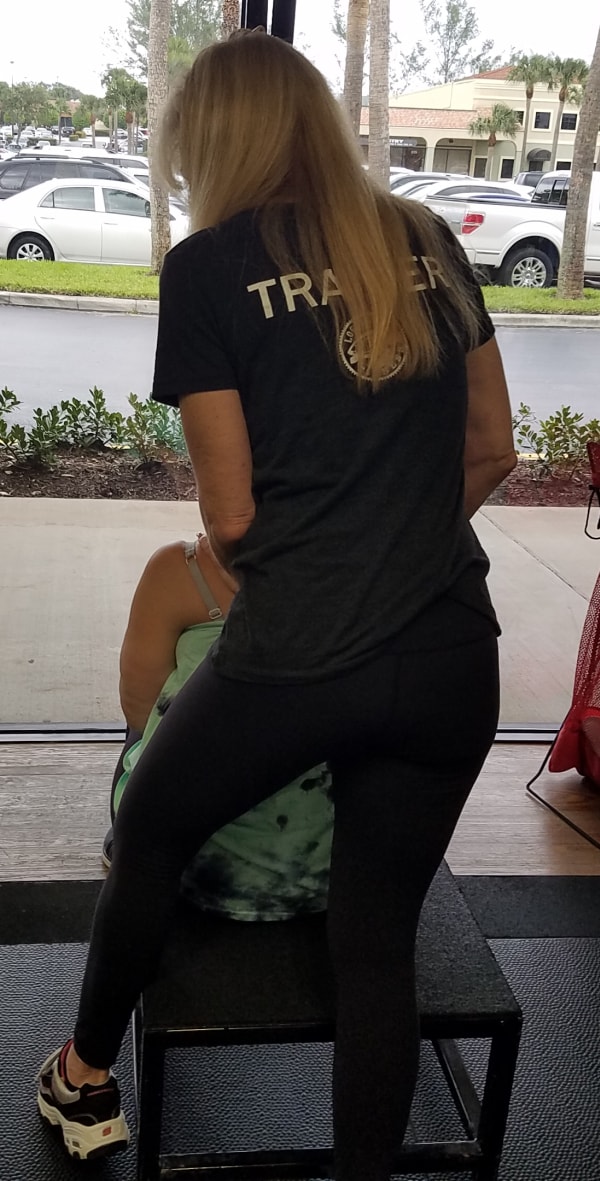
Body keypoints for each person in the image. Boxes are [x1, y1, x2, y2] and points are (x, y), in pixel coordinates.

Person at [36, 30, 516, 1181]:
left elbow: (232, 516)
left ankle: (83, 1075)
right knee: (376, 941)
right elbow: (494, 447)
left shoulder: (207, 267)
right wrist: (395, 536)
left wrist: (334, 557)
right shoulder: (426, 236)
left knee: (149, 828)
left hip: (302, 651)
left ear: (214, 141)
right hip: (453, 651)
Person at [104, 531, 333, 921]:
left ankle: (125, 848)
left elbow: (138, 709)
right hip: (328, 874)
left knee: (140, 729)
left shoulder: (181, 569)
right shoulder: (373, 576)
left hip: (187, 873)